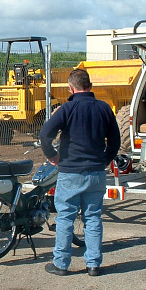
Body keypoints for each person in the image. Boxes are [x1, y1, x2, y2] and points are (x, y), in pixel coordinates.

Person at [39, 68, 120, 277]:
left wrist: (51, 155)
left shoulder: (67, 109)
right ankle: (93, 264)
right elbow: (116, 141)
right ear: (90, 86)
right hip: (96, 172)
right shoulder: (104, 109)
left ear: (70, 88)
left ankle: (62, 264)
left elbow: (45, 133)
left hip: (70, 172)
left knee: (66, 218)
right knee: (93, 218)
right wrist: (105, 159)